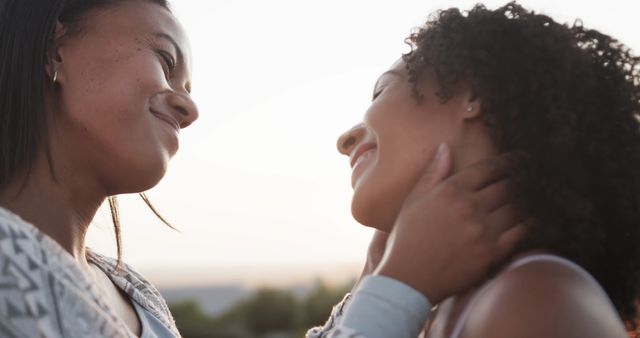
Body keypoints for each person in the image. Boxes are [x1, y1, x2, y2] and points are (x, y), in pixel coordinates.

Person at [0, 0, 526, 337]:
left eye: (190, 88)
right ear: (56, 48)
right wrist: (400, 290)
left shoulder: (135, 294)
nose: (189, 108)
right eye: (165, 61)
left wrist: (376, 278)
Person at [324, 2, 640, 338]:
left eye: (381, 91)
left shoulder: (532, 300)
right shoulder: (445, 309)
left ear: (472, 95)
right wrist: (381, 281)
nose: (346, 140)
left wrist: (394, 289)